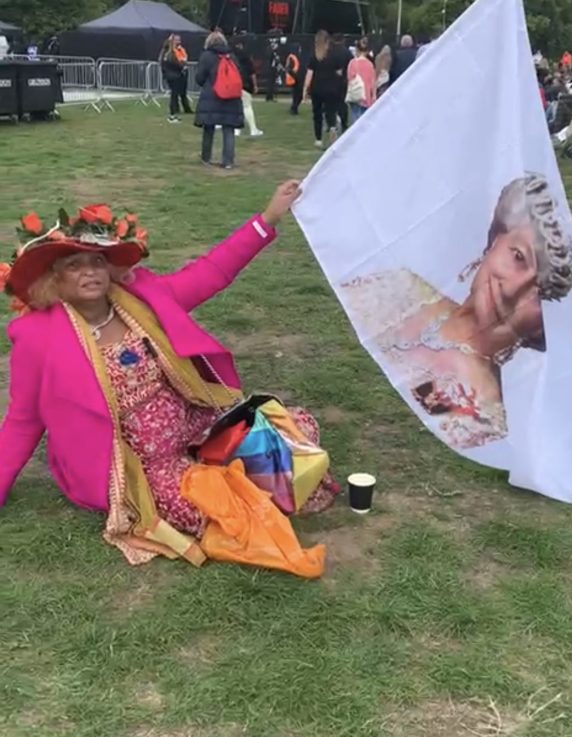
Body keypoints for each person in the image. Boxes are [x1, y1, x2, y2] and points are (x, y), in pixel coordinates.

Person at [0, 192, 338, 571]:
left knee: (295, 429)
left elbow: (211, 272)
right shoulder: (37, 338)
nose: (90, 272)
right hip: (140, 465)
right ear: (53, 279)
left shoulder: (141, 297)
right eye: (74, 265)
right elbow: (23, 421)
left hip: (197, 427)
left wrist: (268, 219)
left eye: (97, 262)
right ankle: (226, 482)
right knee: (208, 509)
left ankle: (225, 472)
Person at [340, 172, 572, 450]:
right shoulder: (395, 287)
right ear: (496, 239)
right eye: (518, 257)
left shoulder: (482, 418)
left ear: (543, 325)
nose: (513, 290)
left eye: (541, 291)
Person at [195, 31, 244, 170]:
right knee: (228, 129)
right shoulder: (232, 56)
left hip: (211, 97)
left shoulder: (206, 56)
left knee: (208, 128)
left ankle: (206, 158)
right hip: (231, 98)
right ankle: (228, 161)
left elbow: (199, 78)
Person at [303, 30, 341, 149]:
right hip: (331, 88)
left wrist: (305, 89)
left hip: (317, 89)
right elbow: (339, 72)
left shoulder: (314, 56)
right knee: (331, 112)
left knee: (317, 114)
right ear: (327, 41)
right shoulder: (334, 55)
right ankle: (332, 128)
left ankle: (318, 139)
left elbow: (309, 74)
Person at [234, 39, 263, 138]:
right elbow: (252, 73)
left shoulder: (231, 57)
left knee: (237, 107)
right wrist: (255, 86)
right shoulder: (246, 58)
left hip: (233, 83)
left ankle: (237, 130)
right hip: (244, 84)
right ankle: (253, 129)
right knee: (247, 106)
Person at [160, 34, 192, 123]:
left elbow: (183, 59)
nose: (178, 42)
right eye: (176, 40)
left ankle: (177, 110)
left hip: (175, 74)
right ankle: (173, 112)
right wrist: (181, 67)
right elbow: (174, 63)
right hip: (174, 75)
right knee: (174, 94)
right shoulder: (169, 53)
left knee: (179, 93)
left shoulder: (172, 51)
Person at [346, 38, 376, 125]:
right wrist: (373, 95)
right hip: (367, 97)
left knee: (355, 120)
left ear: (357, 50)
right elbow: (373, 82)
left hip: (356, 96)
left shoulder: (352, 63)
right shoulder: (370, 65)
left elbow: (349, 78)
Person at [331, 34, 353, 134]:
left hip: (331, 80)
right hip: (344, 81)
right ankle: (344, 123)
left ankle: (331, 123)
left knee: (331, 103)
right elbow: (351, 65)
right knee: (343, 103)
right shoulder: (347, 52)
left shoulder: (330, 51)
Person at [285, 47, 303, 115]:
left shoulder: (294, 57)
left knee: (297, 95)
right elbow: (289, 68)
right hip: (294, 79)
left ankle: (294, 108)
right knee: (298, 95)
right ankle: (294, 108)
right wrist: (295, 76)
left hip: (295, 78)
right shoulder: (291, 57)